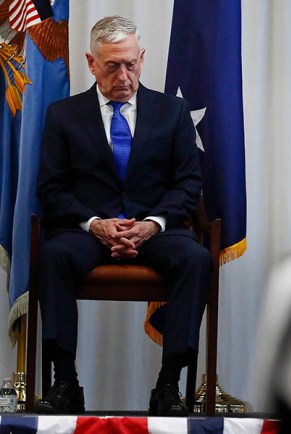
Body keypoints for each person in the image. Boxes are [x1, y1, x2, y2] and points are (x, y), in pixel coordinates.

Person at [34, 16, 210, 417]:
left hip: (156, 229)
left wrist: (152, 225)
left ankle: (169, 384)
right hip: (86, 230)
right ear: (91, 63)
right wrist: (96, 224)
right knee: (55, 256)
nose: (124, 75)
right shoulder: (63, 115)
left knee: (196, 259)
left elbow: (187, 184)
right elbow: (52, 189)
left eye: (131, 63)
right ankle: (65, 383)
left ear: (142, 57)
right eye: (112, 65)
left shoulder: (174, 112)